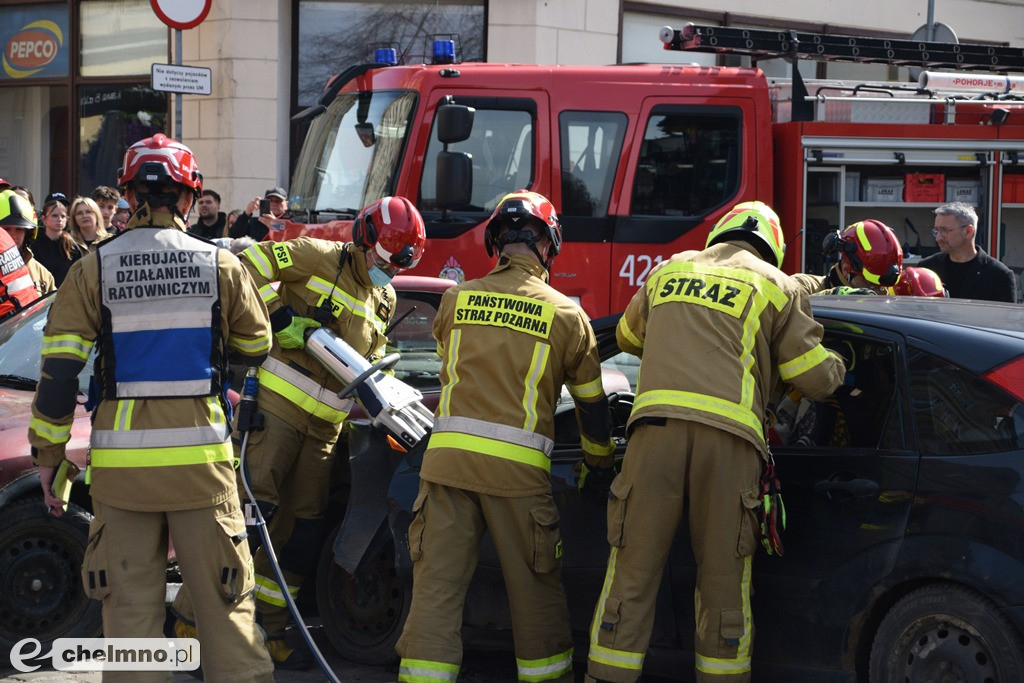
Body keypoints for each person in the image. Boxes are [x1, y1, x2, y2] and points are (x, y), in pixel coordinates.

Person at [28, 133, 275, 682]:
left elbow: (59, 373)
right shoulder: (220, 264)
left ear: (127, 194)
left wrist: (48, 461)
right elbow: (257, 348)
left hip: (121, 479)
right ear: (188, 197)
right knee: (227, 620)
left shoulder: (92, 268)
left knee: (131, 630)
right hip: (202, 473)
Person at [585, 201, 845, 683]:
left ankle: (607, 675)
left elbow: (625, 336)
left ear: (718, 234)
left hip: (653, 440)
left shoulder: (670, 269)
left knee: (632, 574)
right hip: (729, 447)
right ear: (773, 249)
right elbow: (814, 379)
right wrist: (841, 364)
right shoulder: (776, 286)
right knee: (724, 584)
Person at [171, 194, 427, 669]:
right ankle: (191, 622)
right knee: (247, 519)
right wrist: (280, 317)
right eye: (382, 262)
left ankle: (269, 631)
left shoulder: (386, 296)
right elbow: (244, 266)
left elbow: (371, 354)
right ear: (363, 240)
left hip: (325, 430)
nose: (384, 273)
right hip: (277, 411)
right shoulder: (315, 254)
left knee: (300, 532)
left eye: (393, 267)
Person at [396, 190, 616, 682]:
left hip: (446, 470)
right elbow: (591, 407)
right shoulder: (566, 315)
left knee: (435, 599)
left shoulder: (456, 299)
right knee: (536, 600)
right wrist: (600, 466)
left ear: (496, 242)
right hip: (518, 479)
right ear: (549, 243)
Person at [919, 202, 1017, 302]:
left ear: (968, 231)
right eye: (936, 230)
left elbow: (1005, 316)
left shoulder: (999, 276)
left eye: (945, 230)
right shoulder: (926, 269)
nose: (938, 237)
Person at [792, 219, 903, 296]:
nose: (880, 293)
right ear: (846, 270)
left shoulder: (886, 296)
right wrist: (833, 296)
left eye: (883, 287)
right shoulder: (803, 286)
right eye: (871, 285)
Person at [0, 189, 53, 295]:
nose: (13, 235)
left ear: (28, 234)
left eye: (19, 229)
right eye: (6, 229)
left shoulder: (42, 274)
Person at [31, 195, 83, 288]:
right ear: (43, 219)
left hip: (64, 296)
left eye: (63, 216)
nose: (59, 219)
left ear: (67, 219)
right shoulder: (33, 242)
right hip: (38, 294)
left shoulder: (72, 247)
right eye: (54, 215)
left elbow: (79, 277)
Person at [0, 223, 39, 322]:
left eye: (19, 229)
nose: (14, 235)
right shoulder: (2, 234)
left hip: (9, 323)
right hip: (30, 314)